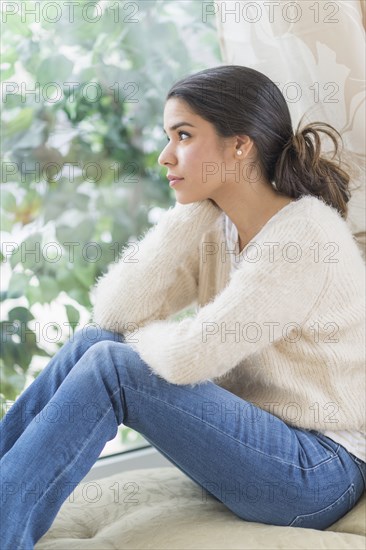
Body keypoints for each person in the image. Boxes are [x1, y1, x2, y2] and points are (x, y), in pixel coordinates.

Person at [1, 65, 365, 549]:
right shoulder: (217, 225)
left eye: (184, 136)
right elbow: (115, 312)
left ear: (239, 145)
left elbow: (191, 358)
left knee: (114, 364)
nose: (165, 155)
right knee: (96, 341)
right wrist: (192, 212)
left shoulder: (303, 235)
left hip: (317, 469)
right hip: (255, 447)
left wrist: (140, 346)